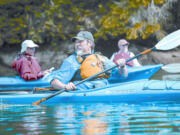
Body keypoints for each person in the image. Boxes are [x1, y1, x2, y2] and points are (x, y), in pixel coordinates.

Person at [50, 31, 128, 91]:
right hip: (83, 94)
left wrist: (122, 66)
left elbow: (123, 76)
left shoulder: (102, 58)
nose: (77, 44)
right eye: (76, 42)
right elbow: (54, 82)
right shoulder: (71, 61)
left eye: (80, 41)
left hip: (103, 90)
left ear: (89, 43)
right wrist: (65, 87)